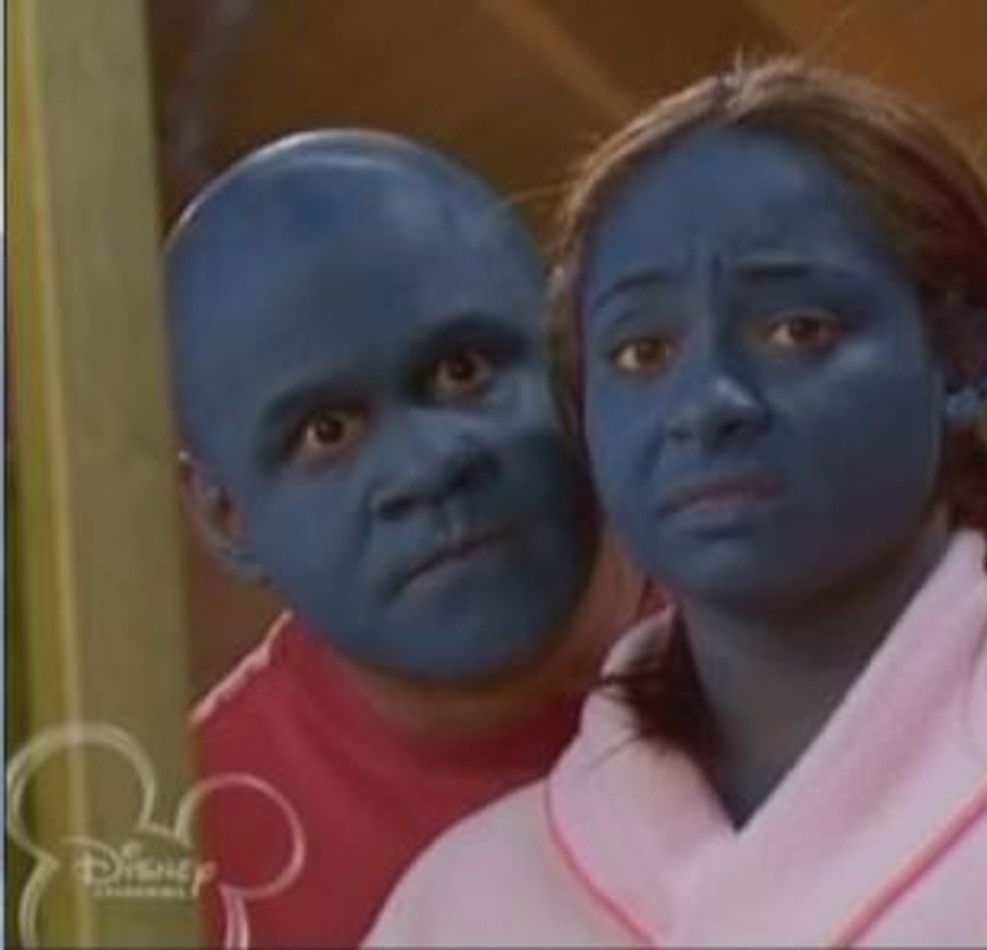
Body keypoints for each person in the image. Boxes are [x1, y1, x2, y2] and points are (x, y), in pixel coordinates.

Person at [367, 58, 987, 947]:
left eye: (796, 329)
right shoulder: (463, 901)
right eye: (642, 353)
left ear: (967, 360)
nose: (707, 403)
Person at [166, 129, 644, 948]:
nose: (426, 469)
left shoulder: (800, 587)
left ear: (569, 346)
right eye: (326, 432)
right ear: (225, 518)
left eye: (463, 371)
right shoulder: (191, 851)